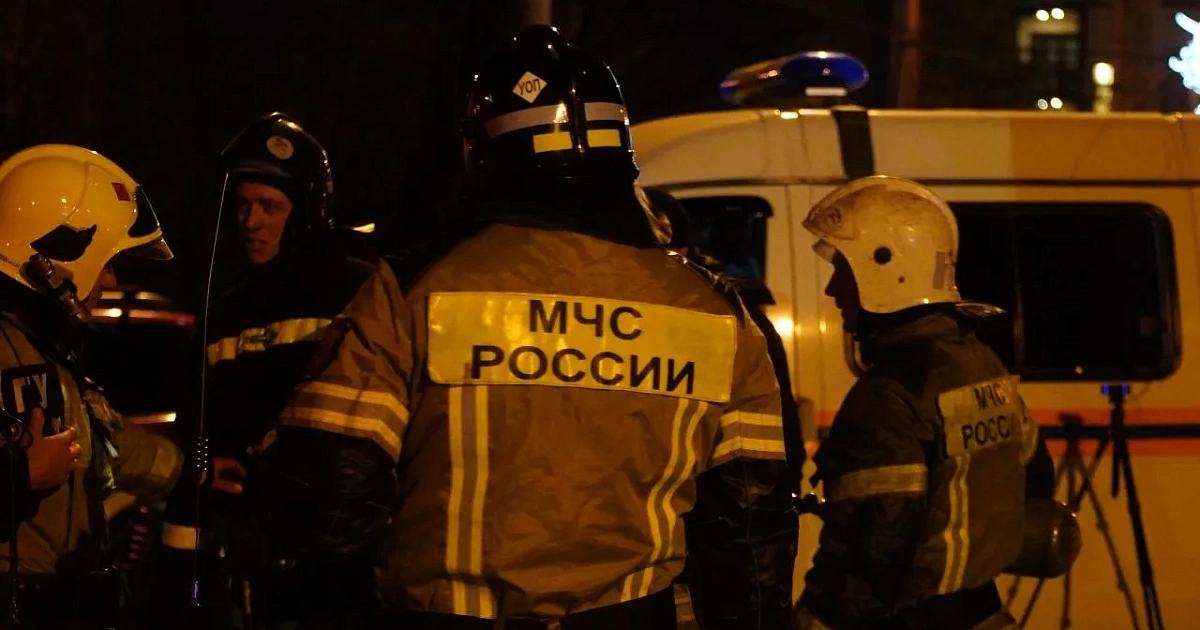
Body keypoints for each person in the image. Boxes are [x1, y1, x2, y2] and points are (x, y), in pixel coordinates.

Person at [258, 24, 798, 629]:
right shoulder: (717, 312)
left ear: (484, 152)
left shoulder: (411, 290)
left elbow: (329, 499)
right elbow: (752, 526)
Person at [795, 176, 1055, 630]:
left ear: (884, 269)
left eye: (843, 271)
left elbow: (874, 553)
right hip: (986, 615)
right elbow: (1037, 476)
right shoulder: (980, 361)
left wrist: (813, 619)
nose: (833, 290)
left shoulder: (890, 395)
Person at [156, 113, 374, 629]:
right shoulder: (224, 312)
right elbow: (196, 430)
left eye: (269, 206)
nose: (250, 221)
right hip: (243, 562)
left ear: (306, 213)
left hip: (335, 564)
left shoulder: (356, 293)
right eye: (242, 205)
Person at [0, 143, 184, 627]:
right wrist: (17, 478)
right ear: (56, 254)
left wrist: (193, 469)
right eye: (106, 261)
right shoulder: (8, 348)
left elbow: (107, 442)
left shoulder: (44, 350)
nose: (111, 279)